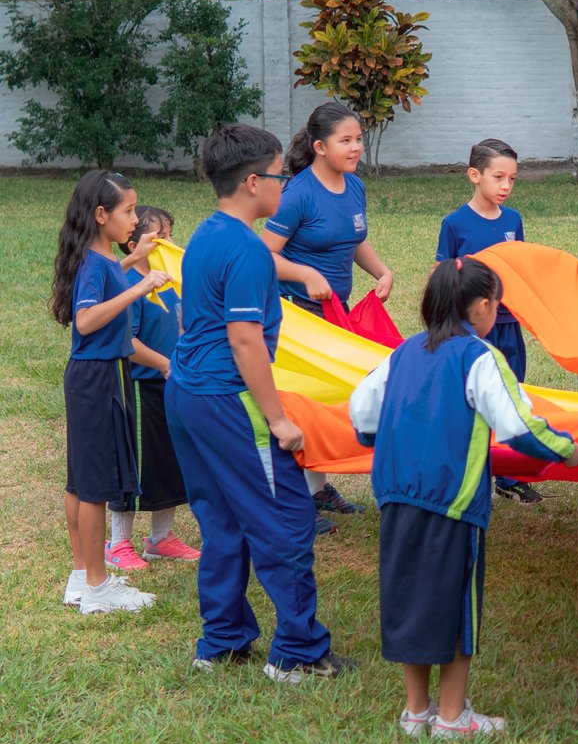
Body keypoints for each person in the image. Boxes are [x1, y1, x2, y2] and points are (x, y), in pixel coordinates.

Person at [350, 257, 578, 739]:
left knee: (410, 599)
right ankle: (453, 718)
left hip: (396, 495)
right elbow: (517, 426)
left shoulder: (403, 353)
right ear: (482, 307)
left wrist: (382, 441)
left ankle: (416, 712)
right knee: (456, 606)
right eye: (497, 303)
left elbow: (362, 412)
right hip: (452, 502)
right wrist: (568, 450)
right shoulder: (480, 357)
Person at [167, 123, 354, 681]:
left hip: (186, 394)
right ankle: (297, 654)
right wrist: (277, 418)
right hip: (230, 402)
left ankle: (221, 643)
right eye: (280, 175)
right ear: (253, 182)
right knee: (287, 522)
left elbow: (197, 308)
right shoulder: (247, 250)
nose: (286, 184)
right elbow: (245, 339)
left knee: (222, 519)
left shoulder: (206, 233)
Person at [263, 101, 394, 525]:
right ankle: (294, 501)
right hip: (297, 315)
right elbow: (263, 256)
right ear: (320, 147)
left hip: (334, 315)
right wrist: (303, 273)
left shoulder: (352, 186)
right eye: (346, 141)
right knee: (303, 405)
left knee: (333, 399)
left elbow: (353, 238)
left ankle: (316, 490)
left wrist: (380, 269)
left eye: (358, 139)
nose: (355, 147)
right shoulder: (296, 195)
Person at [52, 170, 167, 614]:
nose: (135, 219)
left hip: (90, 376)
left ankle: (81, 577)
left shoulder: (97, 259)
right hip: (98, 379)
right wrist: (139, 285)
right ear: (101, 215)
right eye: (128, 211)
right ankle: (98, 588)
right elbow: (85, 320)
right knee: (94, 484)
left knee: (81, 481)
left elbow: (103, 281)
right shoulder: (93, 264)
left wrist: (133, 258)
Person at [435, 138, 544, 505]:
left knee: (512, 393)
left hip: (509, 322)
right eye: (498, 177)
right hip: (471, 330)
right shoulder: (455, 224)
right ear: (474, 175)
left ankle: (510, 475)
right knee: (470, 397)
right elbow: (443, 274)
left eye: (512, 179)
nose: (506, 186)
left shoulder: (514, 220)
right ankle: (467, 469)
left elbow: (522, 267)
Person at [104, 205, 202, 572]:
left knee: (169, 464)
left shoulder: (169, 280)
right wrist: (164, 364)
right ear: (133, 244)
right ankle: (117, 543)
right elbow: (128, 345)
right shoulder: (131, 286)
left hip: (171, 387)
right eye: (159, 237)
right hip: (141, 390)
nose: (169, 243)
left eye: (170, 234)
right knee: (136, 465)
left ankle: (161, 538)